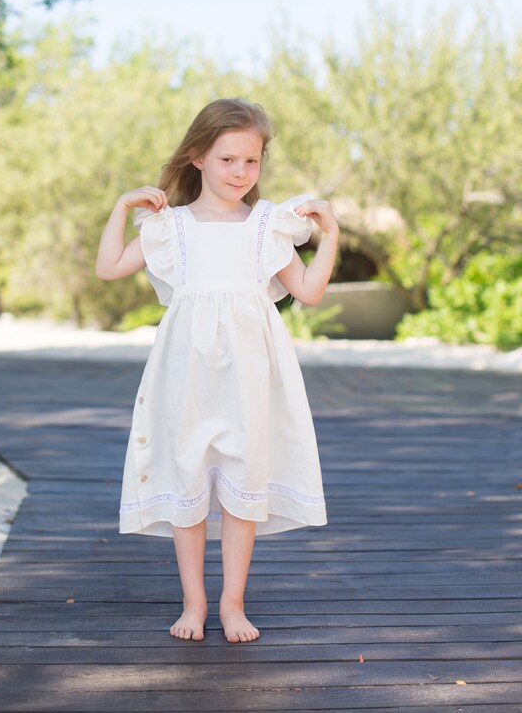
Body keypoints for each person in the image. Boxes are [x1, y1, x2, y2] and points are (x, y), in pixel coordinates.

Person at [95, 97, 339, 644]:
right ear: (198, 157)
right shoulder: (172, 227)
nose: (240, 172)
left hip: (250, 377)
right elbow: (108, 268)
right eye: (228, 159)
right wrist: (121, 206)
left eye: (251, 161)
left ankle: (232, 603)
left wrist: (332, 236)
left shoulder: (267, 227)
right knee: (187, 477)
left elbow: (308, 291)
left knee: (242, 484)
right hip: (186, 376)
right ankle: (194, 602)